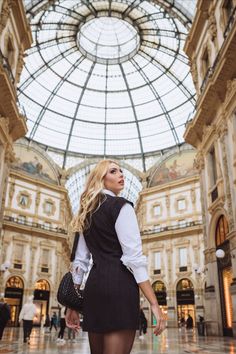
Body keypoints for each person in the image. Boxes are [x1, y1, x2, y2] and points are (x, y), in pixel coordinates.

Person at [65, 159, 165, 354]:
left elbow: (80, 262)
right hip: (120, 287)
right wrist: (154, 302)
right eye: (113, 171)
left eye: (120, 171)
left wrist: (72, 304)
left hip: (94, 288)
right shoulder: (122, 206)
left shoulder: (86, 213)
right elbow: (134, 259)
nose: (121, 175)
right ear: (101, 179)